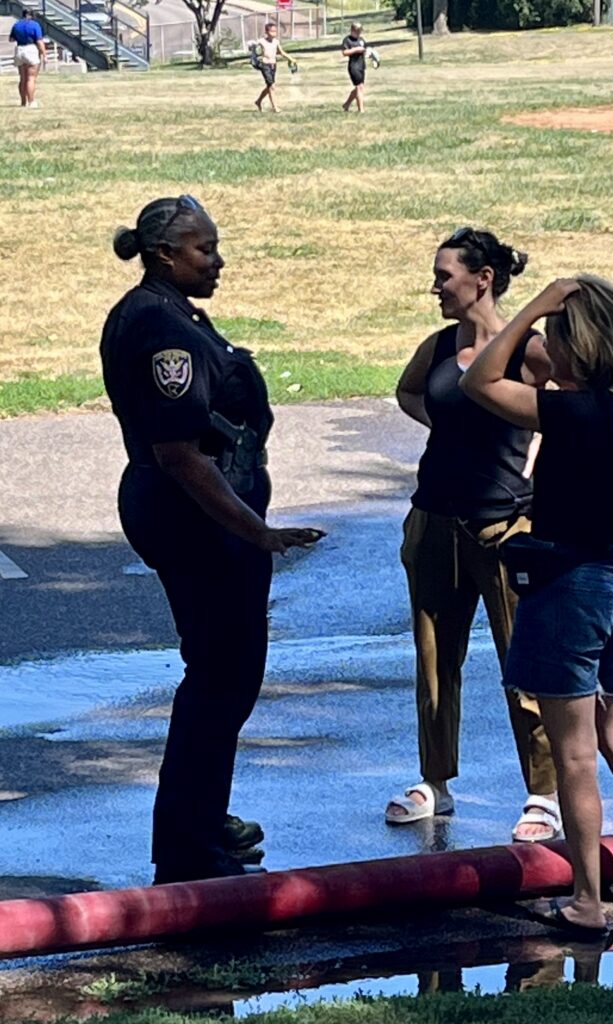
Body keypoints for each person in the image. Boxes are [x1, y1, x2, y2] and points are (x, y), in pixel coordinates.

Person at [462, 275, 613, 938]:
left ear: (578, 343)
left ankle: (588, 899)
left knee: (573, 753)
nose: (546, 347)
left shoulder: (570, 411)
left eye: (555, 335)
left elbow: (482, 381)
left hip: (572, 582)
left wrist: (531, 306)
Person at [100, 195, 324, 884]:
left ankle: (202, 816)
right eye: (205, 249)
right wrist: (258, 532)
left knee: (226, 677)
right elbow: (180, 454)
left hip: (207, 518)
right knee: (220, 679)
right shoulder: (159, 327)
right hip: (196, 522)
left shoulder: (172, 313)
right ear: (165, 254)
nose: (218, 260)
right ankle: (190, 844)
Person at [384, 228, 560, 843]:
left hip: (507, 526)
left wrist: (536, 461)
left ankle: (544, 793)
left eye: (445, 276)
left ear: (482, 280)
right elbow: (409, 392)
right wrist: (451, 424)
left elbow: (571, 407)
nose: (435, 286)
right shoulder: (437, 347)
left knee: (526, 661)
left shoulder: (529, 353)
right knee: (435, 660)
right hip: (435, 519)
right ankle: (435, 783)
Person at [250, 23, 294, 113]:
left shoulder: (276, 42)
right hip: (265, 65)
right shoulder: (262, 41)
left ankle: (258, 101)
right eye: (272, 31)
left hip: (273, 65)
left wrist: (291, 59)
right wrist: (252, 48)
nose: (274, 33)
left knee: (270, 86)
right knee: (272, 86)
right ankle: (275, 107)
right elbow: (253, 47)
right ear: (266, 31)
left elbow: (281, 52)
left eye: (275, 31)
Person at [9, 9, 46, 109]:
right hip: (31, 49)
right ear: (31, 15)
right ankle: (31, 102)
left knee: (22, 78)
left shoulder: (16, 25)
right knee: (31, 78)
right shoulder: (34, 25)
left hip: (19, 49)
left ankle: (23, 101)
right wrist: (44, 53)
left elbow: (11, 39)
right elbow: (39, 41)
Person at [341, 21, 366, 113]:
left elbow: (364, 50)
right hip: (353, 66)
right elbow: (344, 52)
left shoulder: (361, 40)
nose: (359, 33)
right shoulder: (348, 40)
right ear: (352, 30)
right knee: (359, 87)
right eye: (357, 31)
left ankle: (347, 104)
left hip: (361, 65)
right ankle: (361, 110)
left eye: (360, 31)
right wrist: (356, 50)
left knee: (359, 88)